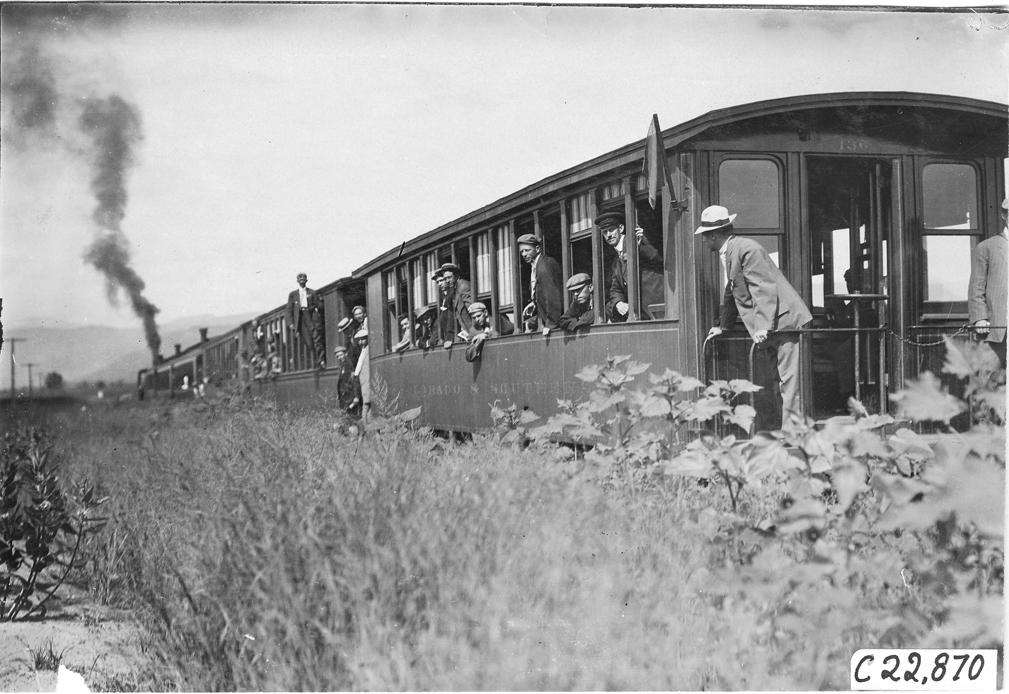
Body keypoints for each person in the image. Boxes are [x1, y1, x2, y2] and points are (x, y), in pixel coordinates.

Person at [699, 204, 812, 428]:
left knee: (789, 385)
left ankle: (794, 437)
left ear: (713, 234)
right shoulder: (731, 251)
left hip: (783, 322)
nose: (703, 240)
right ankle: (788, 433)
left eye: (704, 235)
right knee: (779, 383)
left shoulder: (746, 249)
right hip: (774, 324)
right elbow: (731, 291)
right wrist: (723, 326)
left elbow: (763, 287)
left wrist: (763, 327)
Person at [596, 211, 664, 322]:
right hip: (643, 313)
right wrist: (618, 303)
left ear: (621, 228)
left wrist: (639, 246)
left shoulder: (635, 242)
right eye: (605, 232)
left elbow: (657, 257)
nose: (608, 235)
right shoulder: (616, 262)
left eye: (611, 230)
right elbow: (615, 288)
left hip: (658, 308)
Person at [968, 197, 1008, 368]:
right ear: (1004, 216)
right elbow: (976, 287)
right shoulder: (987, 247)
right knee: (991, 378)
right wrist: (980, 318)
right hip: (998, 329)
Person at [516, 233, 563, 336]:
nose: (524, 254)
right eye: (522, 251)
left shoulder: (543, 268)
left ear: (537, 249)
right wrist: (534, 302)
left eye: (527, 250)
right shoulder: (536, 266)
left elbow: (552, 297)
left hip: (556, 323)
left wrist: (550, 324)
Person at [286, 273, 326, 369]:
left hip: (311, 316)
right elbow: (289, 310)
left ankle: (322, 360)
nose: (302, 280)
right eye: (300, 279)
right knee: (308, 342)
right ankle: (316, 360)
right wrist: (291, 324)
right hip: (300, 318)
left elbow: (319, 305)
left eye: (303, 279)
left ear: (306, 280)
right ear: (297, 281)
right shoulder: (293, 294)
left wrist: (320, 302)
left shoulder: (312, 292)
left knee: (317, 338)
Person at [438, 263, 473, 348]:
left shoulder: (463, 286)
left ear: (457, 276)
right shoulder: (455, 288)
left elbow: (471, 309)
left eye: (449, 277)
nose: (447, 281)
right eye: (445, 279)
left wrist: (473, 331)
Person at [333, 345, 361, 415]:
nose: (339, 358)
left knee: (352, 417)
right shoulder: (342, 365)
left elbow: (355, 381)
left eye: (341, 355)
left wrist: (356, 396)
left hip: (350, 397)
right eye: (337, 356)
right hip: (345, 397)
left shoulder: (349, 365)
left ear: (346, 354)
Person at [353, 329, 371, 422]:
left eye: (362, 339)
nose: (360, 342)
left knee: (366, 408)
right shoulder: (363, 350)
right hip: (363, 384)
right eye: (359, 340)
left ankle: (366, 426)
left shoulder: (368, 350)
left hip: (367, 384)